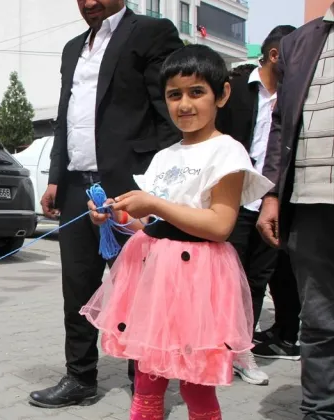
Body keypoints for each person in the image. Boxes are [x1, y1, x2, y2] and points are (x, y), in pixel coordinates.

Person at [81, 44, 273, 419]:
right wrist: (117, 217)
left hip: (199, 283)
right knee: (147, 383)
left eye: (196, 92)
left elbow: (220, 225)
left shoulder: (227, 153)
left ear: (222, 94)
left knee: (196, 386)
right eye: (174, 95)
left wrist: (155, 204)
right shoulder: (164, 157)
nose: (185, 104)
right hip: (155, 279)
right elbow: (150, 224)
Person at [29, 0, 183, 407]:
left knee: (139, 289)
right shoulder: (72, 48)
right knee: (77, 286)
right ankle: (80, 377)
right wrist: (55, 178)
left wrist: (161, 187)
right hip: (79, 187)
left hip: (131, 186)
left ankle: (144, 381)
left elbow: (168, 113)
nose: (89, 2)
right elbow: (66, 117)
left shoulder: (151, 33)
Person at [258, 3, 334, 416]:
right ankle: (319, 411)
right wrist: (271, 194)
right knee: (320, 321)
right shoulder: (299, 43)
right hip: (309, 200)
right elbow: (281, 124)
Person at [216, 24, 300, 386]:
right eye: (296, 55)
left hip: (271, 202)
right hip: (231, 200)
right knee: (223, 279)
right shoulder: (233, 87)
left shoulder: (295, 96)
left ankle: (241, 353)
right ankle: (214, 349)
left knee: (255, 282)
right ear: (276, 54)